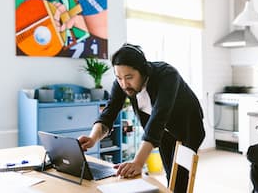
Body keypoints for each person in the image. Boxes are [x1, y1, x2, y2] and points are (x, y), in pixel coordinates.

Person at [78, 43, 205, 192]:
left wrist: (138, 162)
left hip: (188, 128)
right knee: (171, 176)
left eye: (129, 77)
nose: (124, 84)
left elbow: (159, 115)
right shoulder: (122, 83)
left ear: (143, 70)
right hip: (164, 132)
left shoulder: (167, 75)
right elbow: (108, 113)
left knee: (180, 180)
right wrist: (93, 138)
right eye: (119, 78)